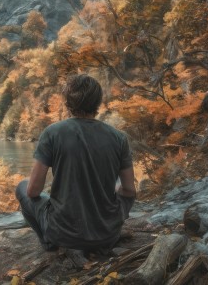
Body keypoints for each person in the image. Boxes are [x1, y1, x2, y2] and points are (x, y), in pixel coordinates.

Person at [16, 74, 136, 253]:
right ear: (98, 102)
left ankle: (48, 242)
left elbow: (33, 190)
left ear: (67, 103)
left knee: (22, 186)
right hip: (107, 235)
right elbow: (129, 190)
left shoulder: (52, 133)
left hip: (63, 234)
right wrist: (115, 190)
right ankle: (105, 227)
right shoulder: (119, 138)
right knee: (120, 186)